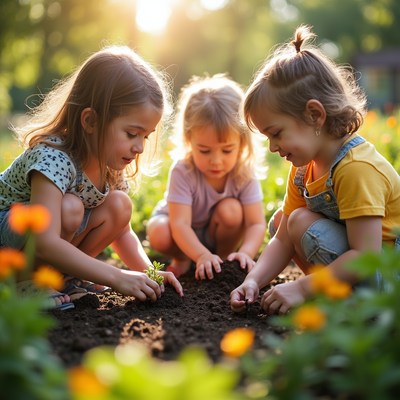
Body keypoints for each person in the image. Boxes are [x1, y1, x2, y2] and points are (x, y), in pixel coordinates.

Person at [230, 25, 400, 315]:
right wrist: (253, 281)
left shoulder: (357, 168)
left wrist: (301, 287)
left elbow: (366, 255)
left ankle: (350, 306)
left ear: (314, 115)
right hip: (361, 267)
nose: (273, 147)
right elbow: (283, 238)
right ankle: (335, 297)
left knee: (297, 221)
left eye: (276, 133)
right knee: (283, 222)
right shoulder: (304, 169)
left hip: (386, 279)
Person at [0, 45, 183, 309]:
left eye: (146, 136)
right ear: (90, 121)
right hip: (9, 238)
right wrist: (116, 276)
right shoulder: (53, 156)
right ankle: (23, 282)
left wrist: (148, 273)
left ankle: (64, 277)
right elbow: (45, 240)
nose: (140, 147)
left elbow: (122, 231)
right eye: (132, 133)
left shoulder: (110, 163)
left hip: (38, 244)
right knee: (71, 207)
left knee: (120, 205)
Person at [146, 74, 267, 280]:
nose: (216, 161)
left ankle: (222, 261)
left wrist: (246, 253)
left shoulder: (244, 172)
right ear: (188, 139)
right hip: (181, 233)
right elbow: (180, 224)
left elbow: (256, 223)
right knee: (159, 231)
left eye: (227, 150)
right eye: (204, 150)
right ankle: (184, 258)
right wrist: (200, 254)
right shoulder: (183, 171)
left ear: (243, 142)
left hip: (216, 233)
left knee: (232, 210)